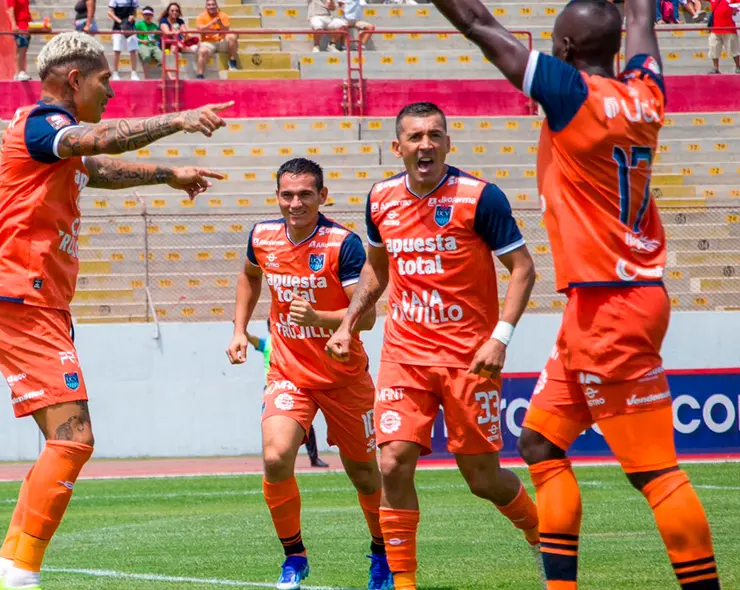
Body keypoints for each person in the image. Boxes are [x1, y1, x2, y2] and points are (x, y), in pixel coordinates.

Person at [421, 0, 722, 588]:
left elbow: (479, 25)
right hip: (610, 301)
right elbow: (641, 16)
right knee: (539, 441)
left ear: (562, 51)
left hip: (612, 305)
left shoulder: (573, 94)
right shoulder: (646, 93)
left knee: (654, 472)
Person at [0, 31, 232, 590]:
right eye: (105, 80)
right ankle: (14, 571)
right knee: (74, 438)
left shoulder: (59, 144)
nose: (111, 91)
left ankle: (9, 568)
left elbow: (102, 169)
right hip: (23, 297)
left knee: (65, 442)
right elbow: (106, 141)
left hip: (35, 301)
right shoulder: (40, 124)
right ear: (74, 80)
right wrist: (179, 118)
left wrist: (169, 173)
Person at [327, 102, 540, 590]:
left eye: (435, 135)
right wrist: (347, 323)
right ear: (397, 147)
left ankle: (538, 532)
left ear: (448, 143)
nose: (426, 144)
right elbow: (377, 270)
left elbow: (524, 269)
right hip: (404, 355)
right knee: (392, 461)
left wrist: (499, 339)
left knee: (483, 479)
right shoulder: (380, 198)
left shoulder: (479, 198)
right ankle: (404, 584)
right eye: (416, 136)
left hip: (469, 359)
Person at [227, 158, 391, 590]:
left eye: (304, 194)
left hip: (344, 377)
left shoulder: (345, 244)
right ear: (276, 196)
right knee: (276, 455)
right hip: (288, 372)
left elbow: (369, 316)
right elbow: (249, 277)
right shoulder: (261, 236)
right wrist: (239, 329)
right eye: (287, 194)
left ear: (323, 195)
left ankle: (381, 554)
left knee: (364, 474)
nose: (295, 203)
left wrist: (320, 318)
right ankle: (295, 558)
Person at [246, 319, 330, 469]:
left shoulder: (291, 341)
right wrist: (242, 331)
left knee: (306, 425)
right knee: (270, 425)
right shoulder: (268, 343)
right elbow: (253, 340)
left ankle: (314, 457)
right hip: (272, 387)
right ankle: (272, 458)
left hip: (293, 386)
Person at [195, 0, 238, 78]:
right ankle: (200, 75)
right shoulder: (201, 16)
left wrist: (220, 23)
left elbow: (226, 30)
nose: (211, 6)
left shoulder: (223, 15)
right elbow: (200, 29)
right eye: (209, 5)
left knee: (232, 36)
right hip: (208, 42)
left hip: (221, 41)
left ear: (216, 6)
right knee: (202, 51)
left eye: (213, 4)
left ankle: (232, 63)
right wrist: (212, 23)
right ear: (206, 6)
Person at [107, 0, 139, 80]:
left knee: (133, 50)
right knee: (117, 51)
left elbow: (135, 12)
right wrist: (121, 22)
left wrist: (133, 17)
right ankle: (115, 73)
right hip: (118, 28)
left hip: (130, 27)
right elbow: (110, 12)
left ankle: (134, 73)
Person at [708, 0, 740, 74]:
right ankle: (716, 68)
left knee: (734, 50)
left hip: (729, 28)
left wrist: (736, 10)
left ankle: (738, 66)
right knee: (714, 49)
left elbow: (738, 6)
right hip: (715, 29)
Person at [6, 0, 32, 80]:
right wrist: (14, 24)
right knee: (21, 48)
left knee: (24, 49)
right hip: (19, 25)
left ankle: (19, 72)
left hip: (26, 24)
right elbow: (10, 10)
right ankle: (20, 71)